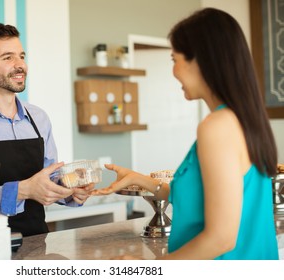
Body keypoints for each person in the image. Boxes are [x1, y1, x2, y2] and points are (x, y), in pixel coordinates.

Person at [91, 8, 279, 260]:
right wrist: (139, 179)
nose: (174, 71)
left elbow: (221, 238)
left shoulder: (216, 127)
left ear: (201, 59)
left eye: (174, 59)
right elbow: (204, 196)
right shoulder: (244, 120)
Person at [0, 23, 93, 237]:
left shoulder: (39, 118)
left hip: (37, 240)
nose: (20, 65)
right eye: (7, 58)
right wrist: (24, 190)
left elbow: (49, 180)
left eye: (21, 56)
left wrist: (71, 190)